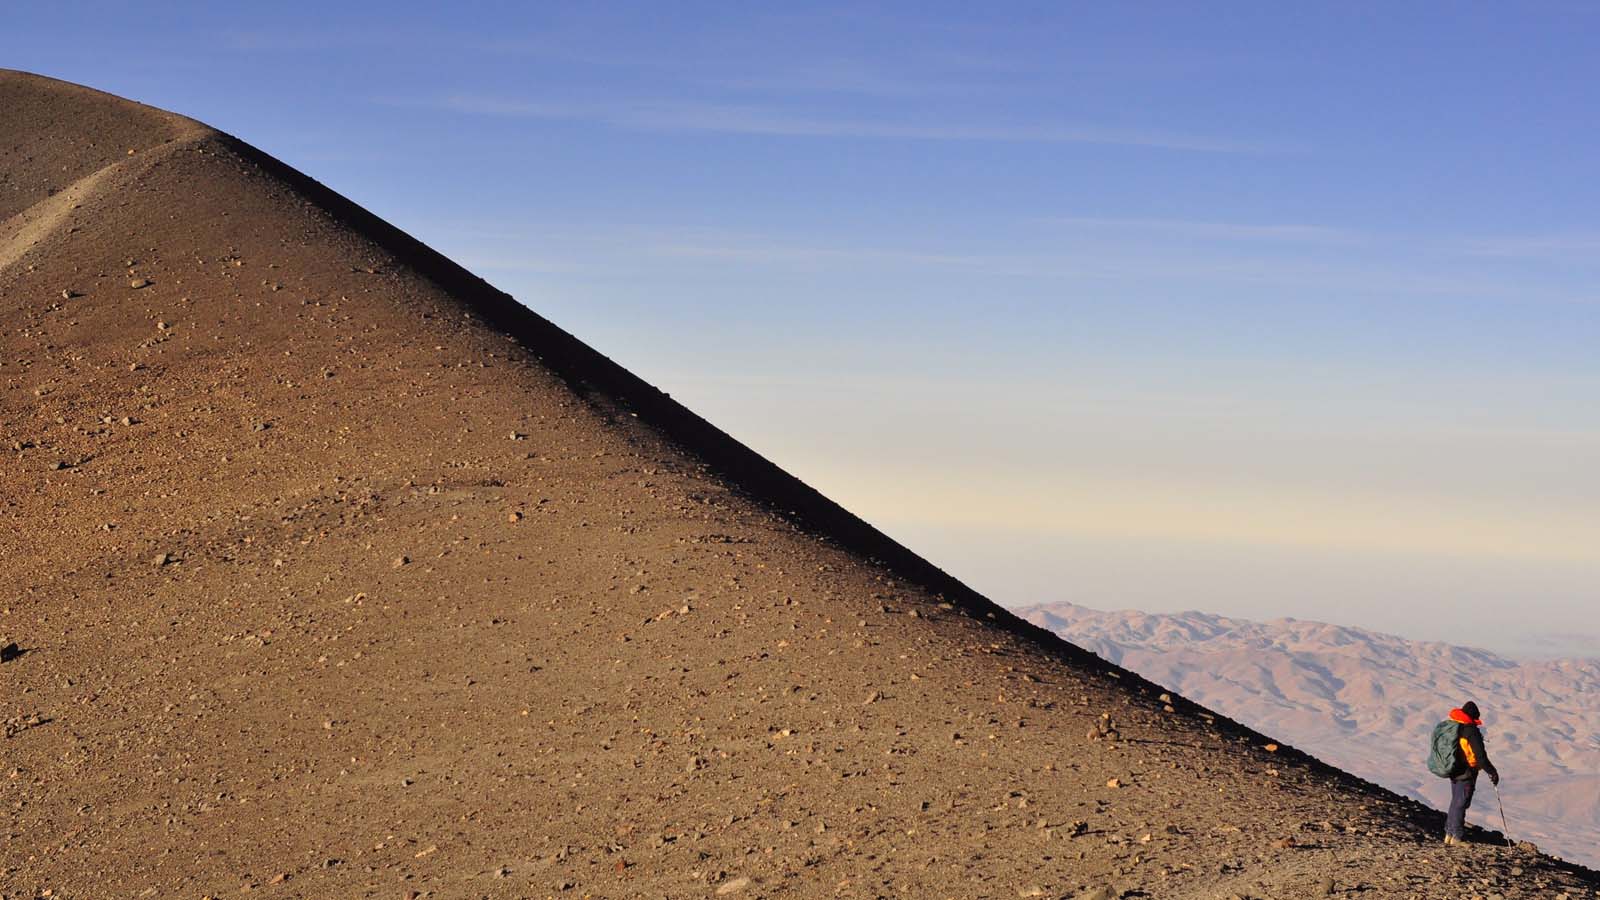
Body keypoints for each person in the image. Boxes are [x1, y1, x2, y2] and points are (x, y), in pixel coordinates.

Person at [1443, 701, 1499, 845]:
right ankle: (1456, 836)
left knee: (1455, 801)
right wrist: (1492, 772)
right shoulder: (1471, 731)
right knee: (1461, 802)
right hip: (1466, 772)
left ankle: (1449, 834)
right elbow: (1480, 757)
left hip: (1454, 769)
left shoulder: (1455, 726)